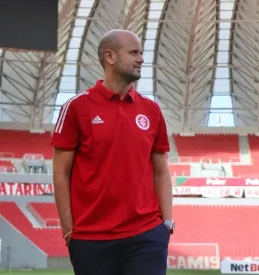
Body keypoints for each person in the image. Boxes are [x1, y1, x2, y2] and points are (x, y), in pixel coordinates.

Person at [50, 29, 174, 275]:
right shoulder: (76, 107)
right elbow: (60, 173)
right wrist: (69, 231)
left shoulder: (151, 110)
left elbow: (161, 171)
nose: (141, 59)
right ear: (110, 56)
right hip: (91, 240)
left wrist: (166, 224)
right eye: (134, 52)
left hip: (146, 236)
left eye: (141, 53)